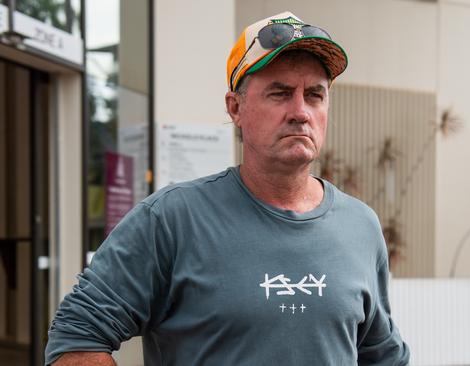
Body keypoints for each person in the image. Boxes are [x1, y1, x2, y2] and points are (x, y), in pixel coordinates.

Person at [45, 11, 410, 365]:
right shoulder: (173, 221)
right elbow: (77, 336)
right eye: (280, 93)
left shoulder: (360, 226)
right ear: (235, 107)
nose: (300, 111)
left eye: (314, 95)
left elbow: (382, 354)